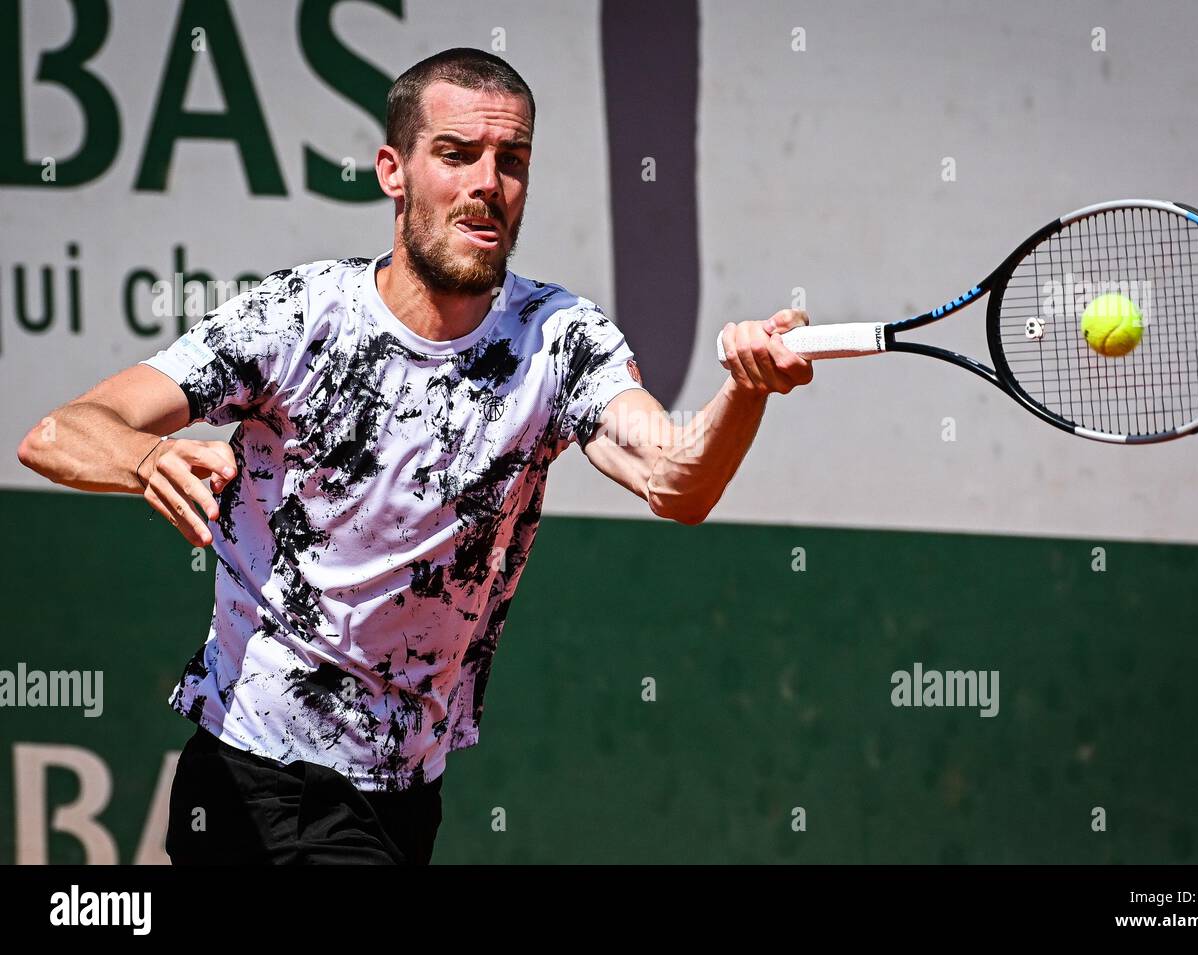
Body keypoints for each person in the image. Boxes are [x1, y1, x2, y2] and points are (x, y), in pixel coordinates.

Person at [15, 48, 813, 864]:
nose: (487, 185)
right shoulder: (298, 319)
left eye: (512, 162)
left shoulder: (560, 340)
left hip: (404, 795)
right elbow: (59, 432)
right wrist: (147, 458)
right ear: (393, 172)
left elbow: (675, 480)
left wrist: (744, 390)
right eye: (456, 155)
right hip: (261, 785)